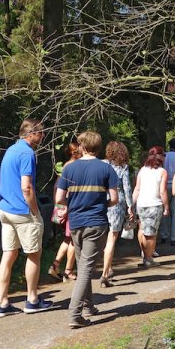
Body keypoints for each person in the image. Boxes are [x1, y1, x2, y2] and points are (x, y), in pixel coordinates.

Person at [55, 131, 119, 329]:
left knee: (84, 265)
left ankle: (88, 307)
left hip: (76, 223)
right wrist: (101, 204)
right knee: (85, 269)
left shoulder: (69, 169)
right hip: (96, 222)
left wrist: (73, 205)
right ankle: (75, 314)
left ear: (82, 147)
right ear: (99, 147)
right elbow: (114, 199)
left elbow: (59, 199)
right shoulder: (106, 169)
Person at [0, 118, 53, 317]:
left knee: (8, 256)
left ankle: (2, 303)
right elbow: (26, 187)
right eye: (41, 133)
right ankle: (32, 300)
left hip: (5, 209)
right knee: (34, 254)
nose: (43, 136)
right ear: (31, 134)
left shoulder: (11, 150)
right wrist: (36, 211)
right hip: (22, 211)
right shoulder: (27, 153)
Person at [48, 141, 81, 282]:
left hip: (64, 206)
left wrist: (58, 206)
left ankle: (55, 265)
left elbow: (56, 186)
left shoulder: (66, 166)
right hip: (71, 206)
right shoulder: (74, 166)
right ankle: (68, 270)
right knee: (74, 239)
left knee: (67, 238)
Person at [100, 140, 132, 287]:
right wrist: (130, 207)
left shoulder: (102, 164)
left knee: (103, 237)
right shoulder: (122, 167)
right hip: (117, 201)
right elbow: (127, 188)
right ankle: (105, 274)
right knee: (112, 238)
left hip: (101, 199)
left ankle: (109, 267)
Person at [132, 146, 169, 266]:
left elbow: (137, 188)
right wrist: (166, 206)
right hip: (154, 204)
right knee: (152, 234)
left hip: (141, 204)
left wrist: (131, 204)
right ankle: (148, 258)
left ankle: (145, 255)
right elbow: (162, 191)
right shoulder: (162, 172)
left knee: (142, 229)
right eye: (163, 155)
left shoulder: (142, 170)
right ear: (159, 157)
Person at [160, 138, 175, 245]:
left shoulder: (164, 156)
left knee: (164, 209)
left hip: (164, 185)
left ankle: (164, 235)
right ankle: (174, 238)